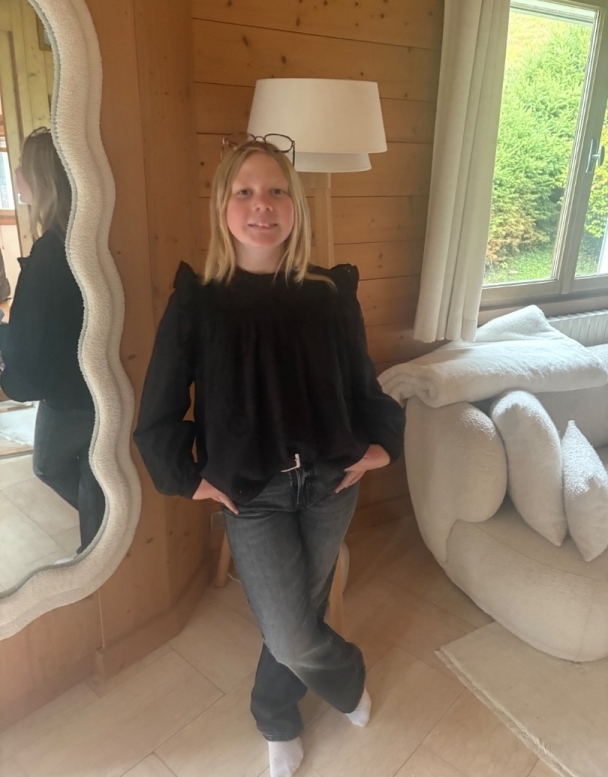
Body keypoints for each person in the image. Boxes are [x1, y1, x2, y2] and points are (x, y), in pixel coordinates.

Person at [134, 135, 404, 777]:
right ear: (223, 206)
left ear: (296, 205)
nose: (263, 204)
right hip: (252, 493)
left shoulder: (329, 294)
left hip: (332, 483)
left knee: (299, 617)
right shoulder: (199, 301)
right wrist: (189, 479)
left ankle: (276, 716)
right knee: (289, 631)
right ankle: (346, 678)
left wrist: (380, 449)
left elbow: (362, 384)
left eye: (277, 190)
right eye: (246, 191)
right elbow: (160, 405)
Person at [0, 127, 105, 554]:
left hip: (72, 393)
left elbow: (32, 346)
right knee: (94, 469)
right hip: (92, 384)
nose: (16, 174)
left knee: (49, 465)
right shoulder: (81, 241)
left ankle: (104, 537)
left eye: (22, 166)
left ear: (40, 178)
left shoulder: (49, 254)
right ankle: (105, 535)